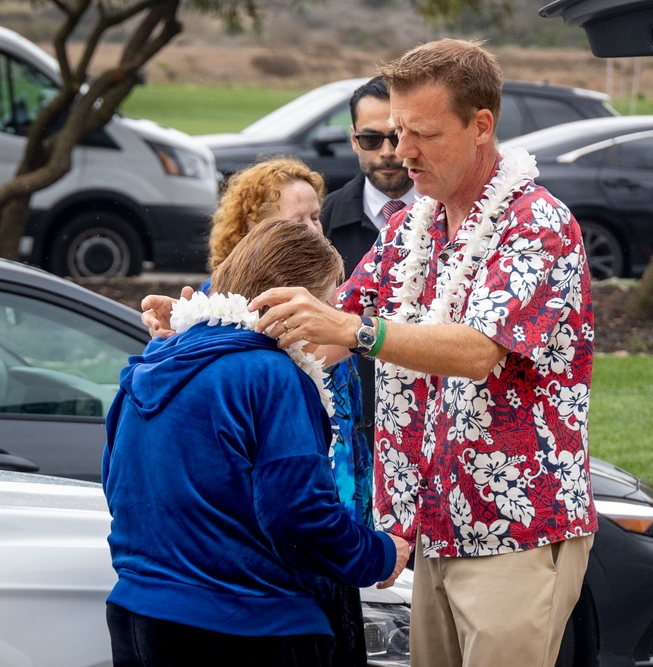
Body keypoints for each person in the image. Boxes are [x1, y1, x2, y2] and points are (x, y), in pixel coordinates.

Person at [247, 39, 597, 667]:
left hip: (513, 528)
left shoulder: (537, 223)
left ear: (480, 127)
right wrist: (205, 325)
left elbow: (477, 351)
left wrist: (360, 330)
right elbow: (325, 331)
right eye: (396, 131)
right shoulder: (416, 226)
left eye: (423, 134)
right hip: (427, 526)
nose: (402, 151)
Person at [103, 219, 409, 667]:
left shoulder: (150, 363)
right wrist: (379, 553)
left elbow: (118, 488)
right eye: (327, 302)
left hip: (137, 614)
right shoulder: (271, 374)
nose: (330, 317)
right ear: (294, 303)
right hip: (245, 625)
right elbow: (297, 514)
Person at [321, 75, 417, 451]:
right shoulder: (321, 224)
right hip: (342, 423)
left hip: (433, 423)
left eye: (396, 136)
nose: (388, 152)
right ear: (352, 139)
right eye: (370, 139)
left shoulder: (456, 221)